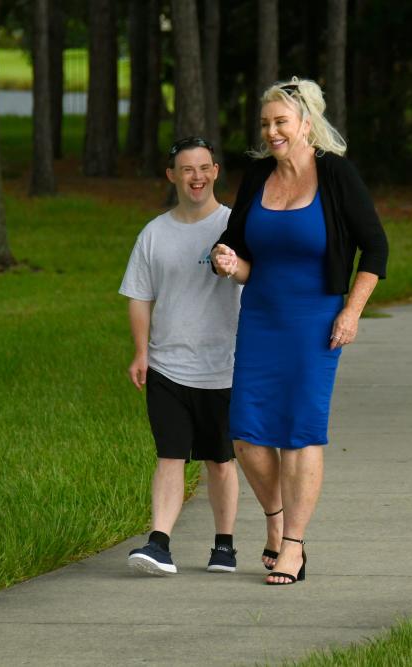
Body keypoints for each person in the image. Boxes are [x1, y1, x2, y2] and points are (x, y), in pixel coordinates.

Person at [210, 78, 388, 585]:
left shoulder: (336, 176)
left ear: (306, 124)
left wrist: (351, 312)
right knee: (246, 435)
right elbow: (239, 250)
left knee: (300, 433)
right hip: (261, 317)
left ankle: (294, 546)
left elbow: (375, 250)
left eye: (280, 122)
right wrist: (226, 259)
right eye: (265, 124)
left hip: (317, 321)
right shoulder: (258, 175)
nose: (271, 132)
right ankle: (275, 520)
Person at [120, 136, 242, 576]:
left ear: (216, 171)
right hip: (168, 366)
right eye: (186, 169)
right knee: (169, 455)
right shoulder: (154, 233)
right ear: (172, 176)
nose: (196, 177)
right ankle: (159, 543)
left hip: (224, 367)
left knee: (220, 460)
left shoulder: (235, 225)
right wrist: (140, 351)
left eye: (204, 168)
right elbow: (139, 296)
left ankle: (224, 546)